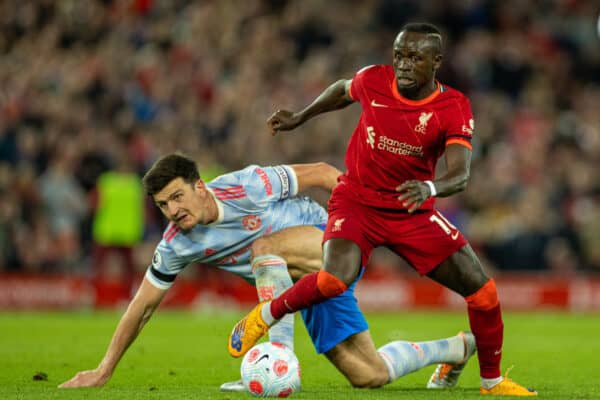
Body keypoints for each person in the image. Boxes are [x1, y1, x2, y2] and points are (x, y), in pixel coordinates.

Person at [228, 22, 537, 396]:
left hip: (411, 208)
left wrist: (428, 187)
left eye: (414, 57)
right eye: (399, 55)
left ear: (436, 62)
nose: (403, 65)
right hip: (357, 201)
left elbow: (460, 174)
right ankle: (266, 314)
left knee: (484, 293)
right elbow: (342, 90)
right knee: (332, 280)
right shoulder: (375, 80)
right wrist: (301, 116)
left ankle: (491, 382)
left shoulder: (453, 107)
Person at [60, 153, 477, 392]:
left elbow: (319, 173)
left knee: (263, 248)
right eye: (164, 205)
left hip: (329, 244)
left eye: (177, 197)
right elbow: (142, 307)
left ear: (199, 185)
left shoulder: (246, 186)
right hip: (300, 285)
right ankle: (457, 349)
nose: (173, 211)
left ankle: (276, 359)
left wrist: (365, 217)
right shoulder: (176, 244)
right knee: (367, 374)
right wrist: (105, 368)